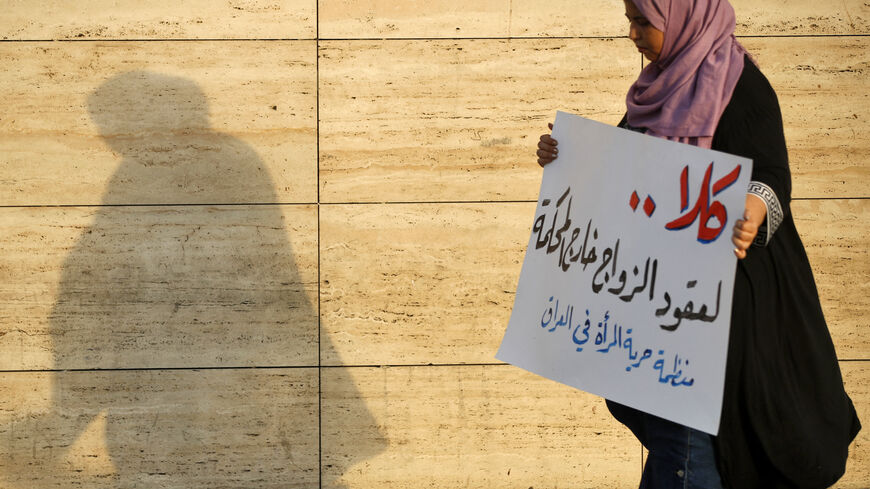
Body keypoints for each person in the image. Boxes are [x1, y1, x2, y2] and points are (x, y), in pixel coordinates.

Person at [536, 1, 861, 487]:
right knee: (683, 442)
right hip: (660, 308)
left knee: (690, 444)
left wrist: (754, 206)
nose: (632, 34)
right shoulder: (656, 91)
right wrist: (567, 156)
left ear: (682, 14)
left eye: (643, 20)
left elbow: (771, 175)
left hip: (727, 308)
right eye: (630, 19)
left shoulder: (738, 84)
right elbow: (626, 166)